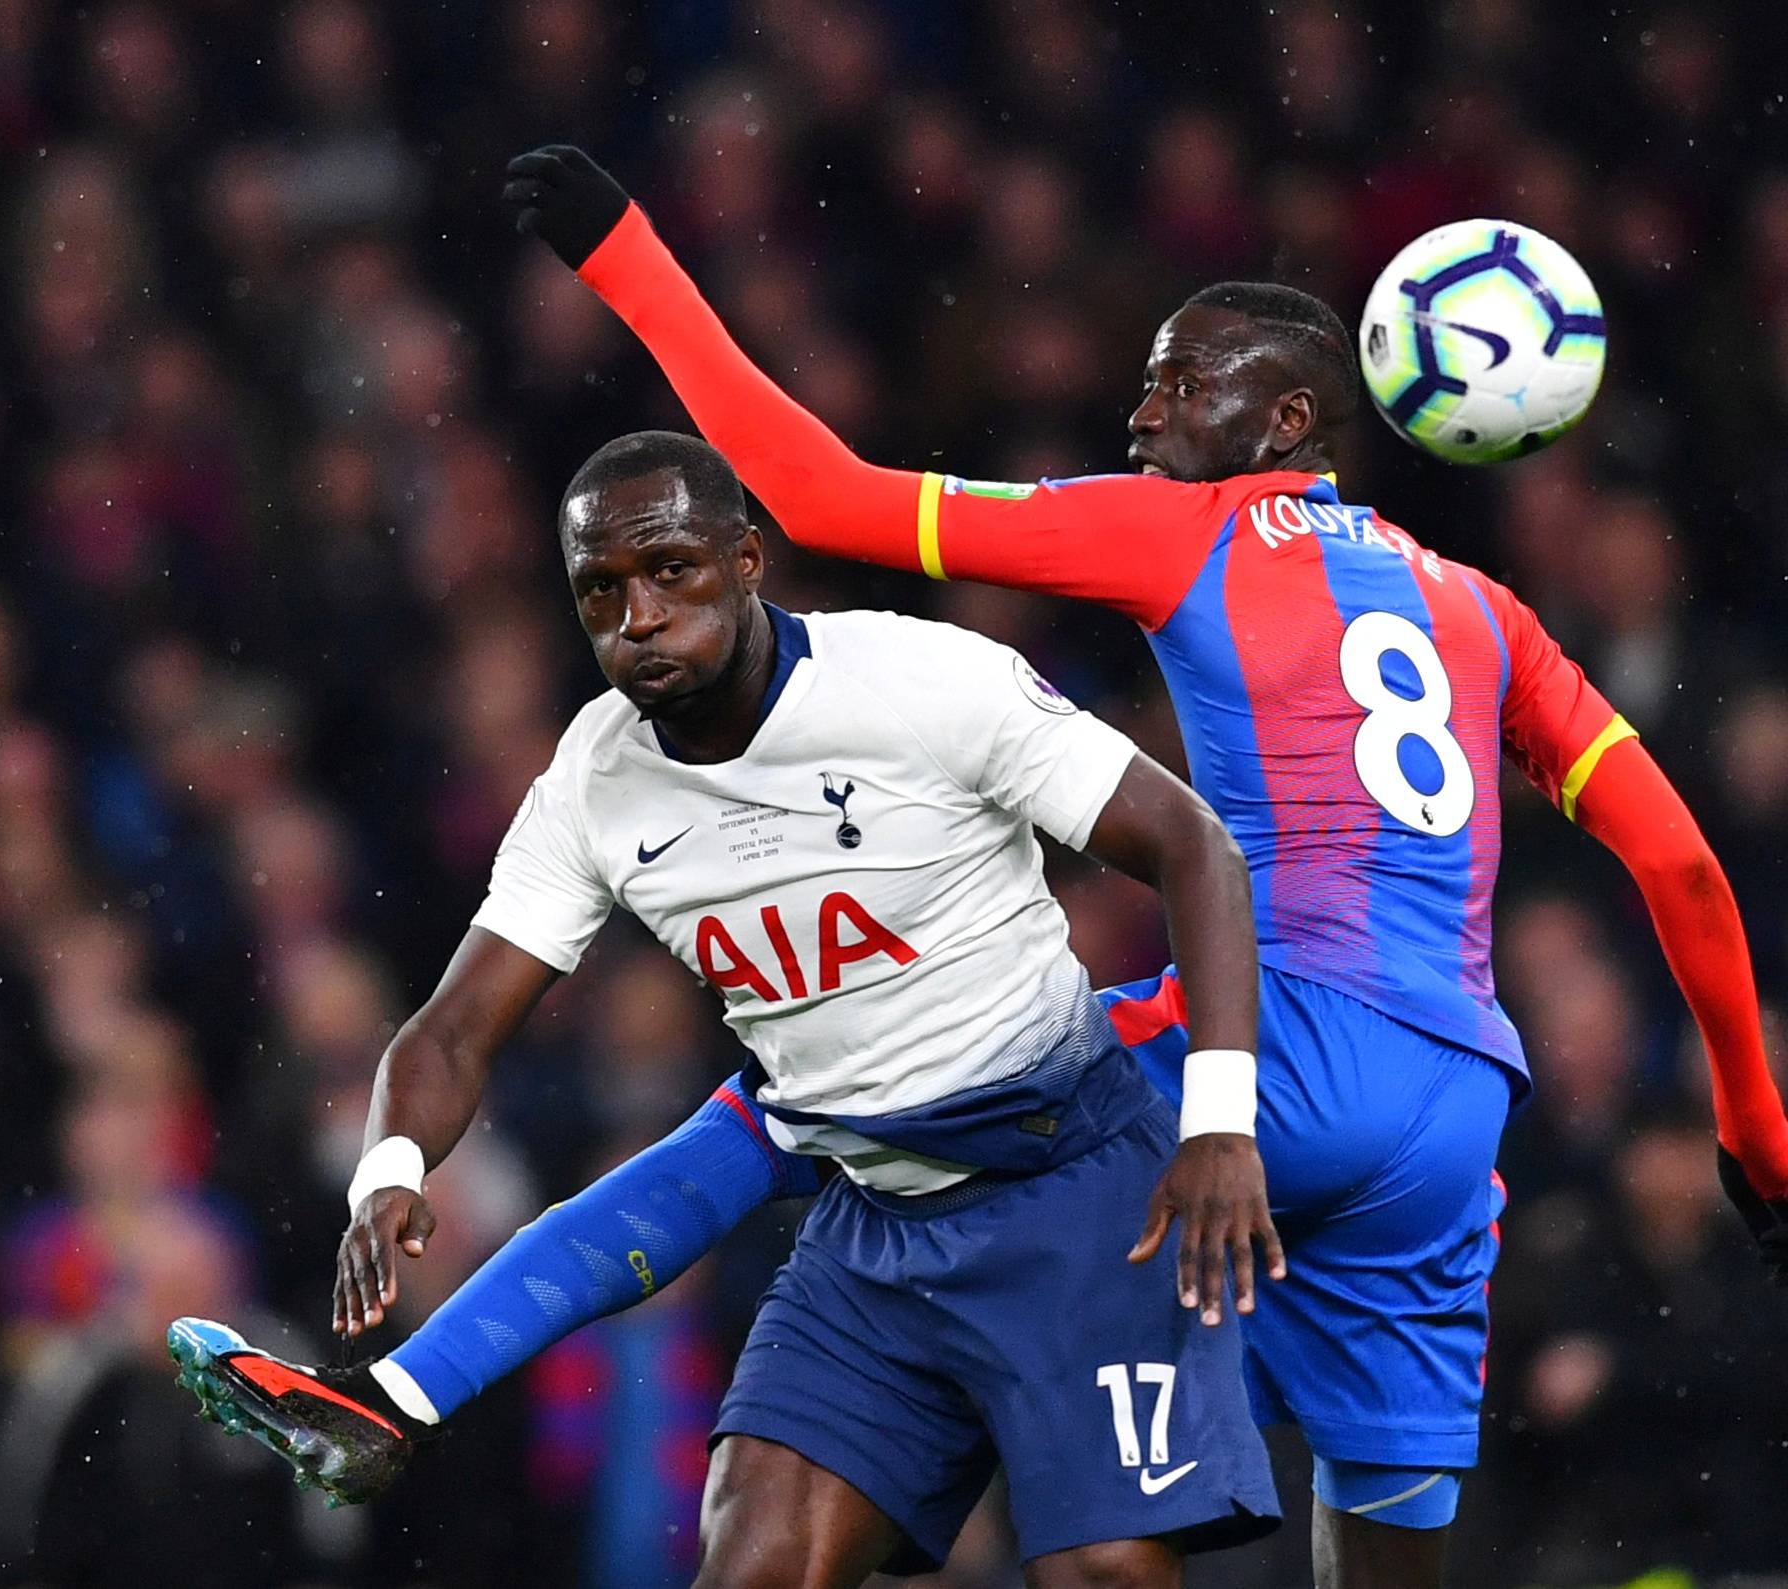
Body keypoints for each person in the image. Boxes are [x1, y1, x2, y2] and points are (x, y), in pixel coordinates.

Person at [460, 148, 1788, 1589]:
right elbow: (1687, 869)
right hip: (1456, 1106)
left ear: (1286, 420)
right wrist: (1757, 1133)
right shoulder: (1485, 611)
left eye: (1183, 381)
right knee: (1387, 1550)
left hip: (1279, 1046)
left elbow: (814, 496)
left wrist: (626, 257)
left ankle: (671, 1450)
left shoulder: (1187, 530)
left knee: (888, 1099)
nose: (1143, 409)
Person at [172, 427, 1290, 1588]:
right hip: (869, 1224)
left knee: (1107, 1570)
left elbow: (1193, 848)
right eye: (600, 590)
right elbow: (452, 1028)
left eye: (670, 570)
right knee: (749, 1568)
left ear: (748, 557)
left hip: (1071, 1189)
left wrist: (1219, 1121)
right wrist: (389, 1165)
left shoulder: (923, 680)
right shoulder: (593, 781)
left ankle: (399, 1397)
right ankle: (391, 1399)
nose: (637, 615)